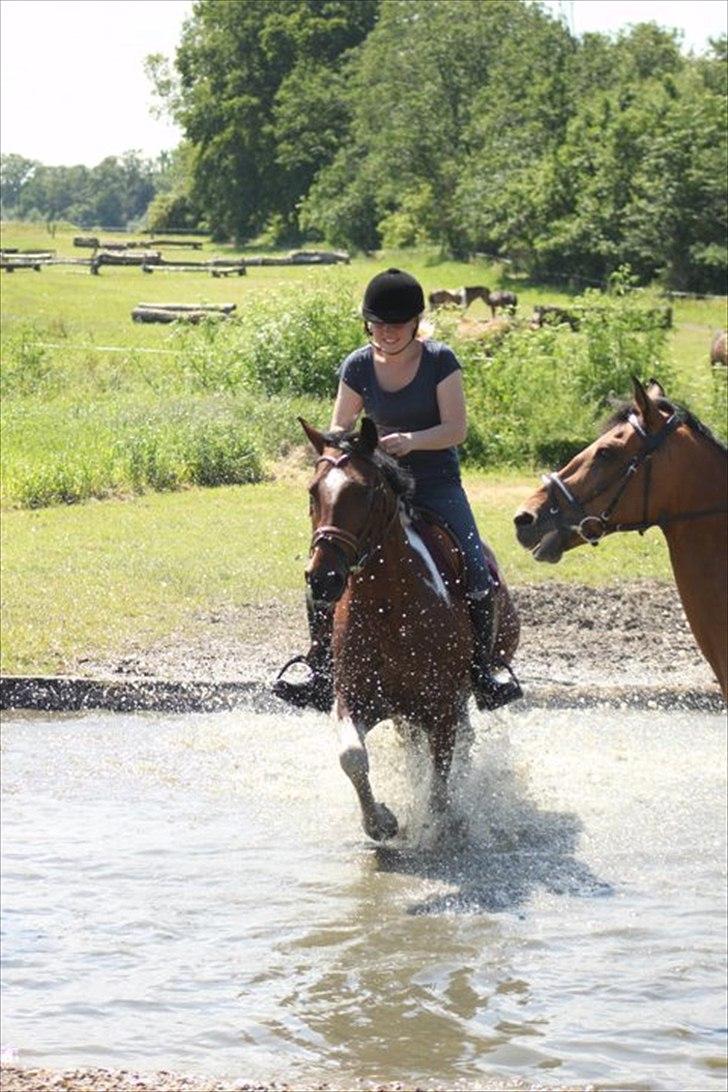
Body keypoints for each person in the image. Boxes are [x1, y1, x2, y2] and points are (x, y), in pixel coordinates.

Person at [273, 267, 522, 712]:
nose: (387, 334)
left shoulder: (441, 361)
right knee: (326, 561)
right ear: (368, 323)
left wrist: (412, 441)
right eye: (379, 325)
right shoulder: (356, 365)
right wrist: (339, 448)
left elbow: (456, 429)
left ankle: (483, 671)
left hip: (435, 483)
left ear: (415, 323)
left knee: (474, 562)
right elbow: (340, 425)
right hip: (377, 487)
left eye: (397, 325)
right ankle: (319, 666)